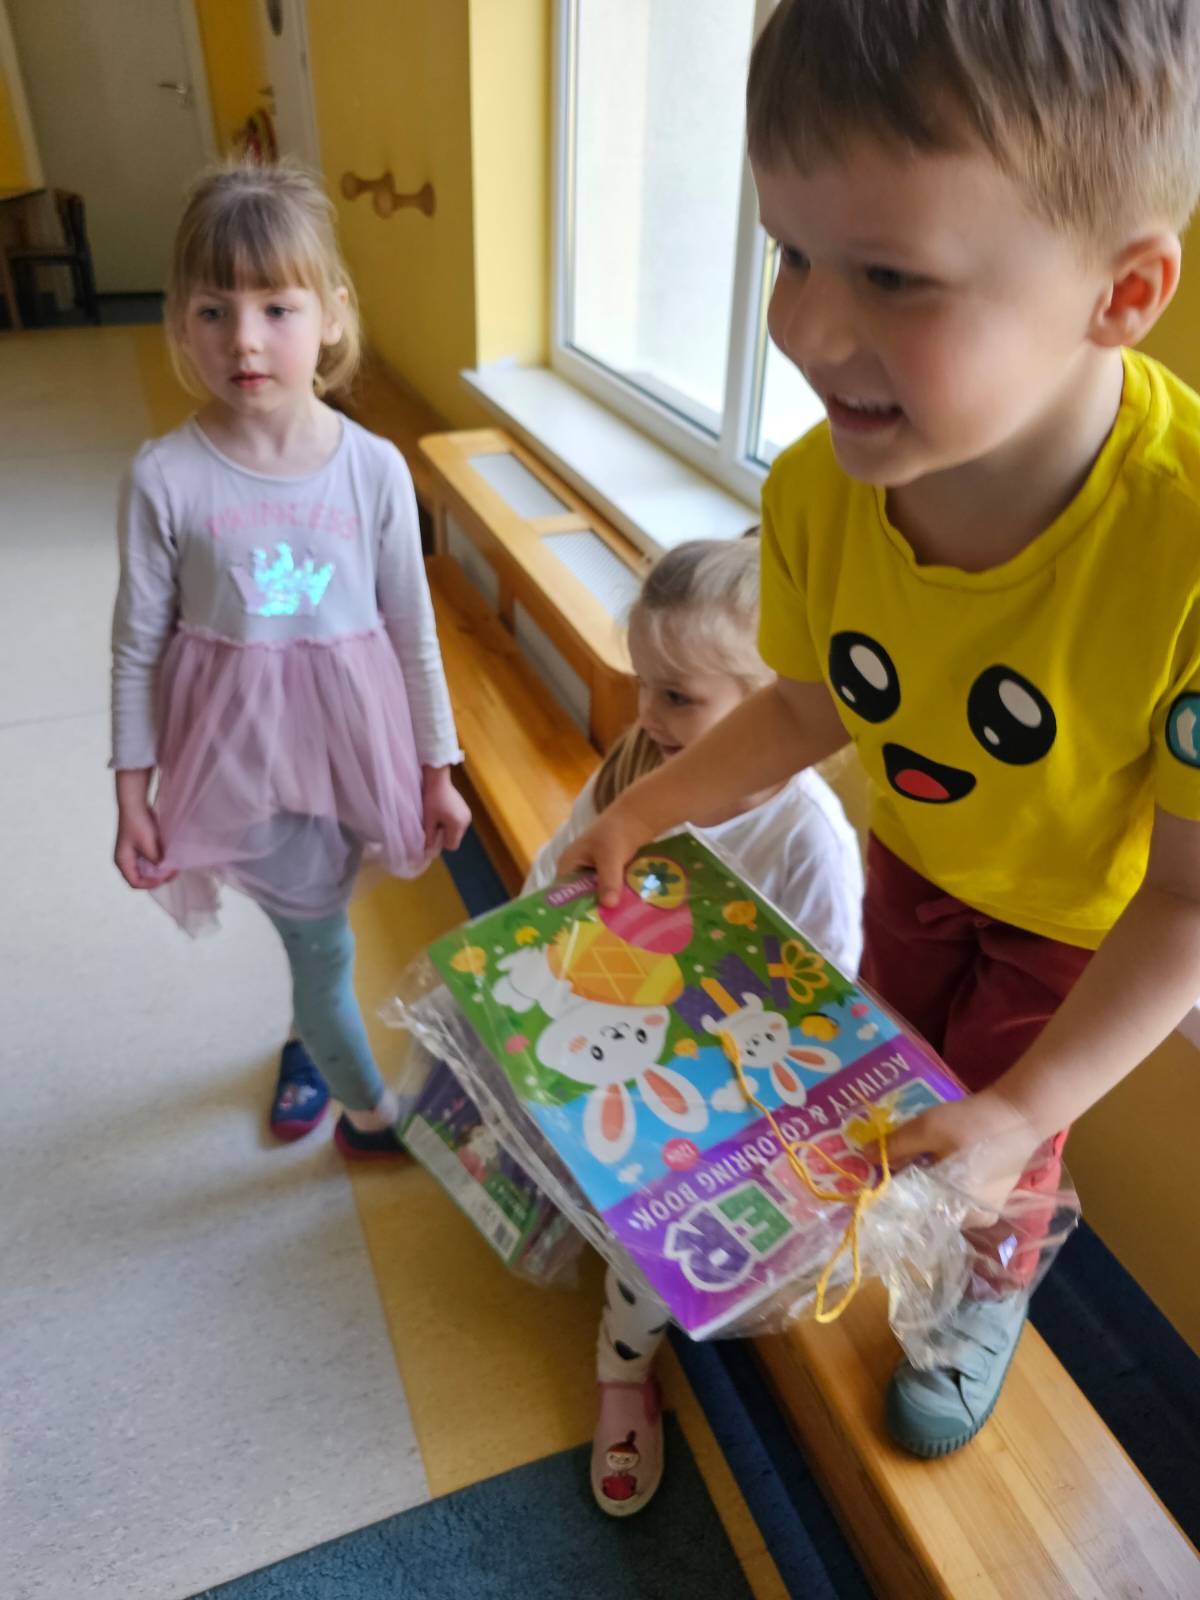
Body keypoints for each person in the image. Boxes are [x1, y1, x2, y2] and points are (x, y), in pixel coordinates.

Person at [562, 0, 1200, 1459]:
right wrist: (643, 809)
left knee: (1003, 1141)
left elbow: (1186, 896)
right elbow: (802, 704)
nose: (800, 327)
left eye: (893, 275)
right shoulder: (815, 495)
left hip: (1081, 930)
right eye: (789, 252)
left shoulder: (1184, 548)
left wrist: (1026, 1106)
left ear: (1122, 292)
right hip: (913, 865)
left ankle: (989, 1287)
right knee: (891, 1078)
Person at [110, 161, 470, 1158]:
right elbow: (138, 646)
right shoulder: (166, 477)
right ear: (180, 321)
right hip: (243, 756)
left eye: (276, 307)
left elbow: (411, 628)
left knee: (326, 916)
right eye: (213, 310)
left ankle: (311, 1030)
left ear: (333, 314)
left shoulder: (374, 468)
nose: (245, 339)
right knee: (323, 945)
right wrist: (133, 790)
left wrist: (436, 767)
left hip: (355, 744)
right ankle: (370, 1116)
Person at [525, 535, 864, 1514]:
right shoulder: (641, 762)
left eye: (678, 695)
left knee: (656, 1235)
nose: (647, 714)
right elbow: (555, 873)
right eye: (645, 684)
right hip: (622, 1028)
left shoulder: (808, 837)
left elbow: (825, 1003)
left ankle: (622, 1366)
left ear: (773, 703)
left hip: (735, 1083)